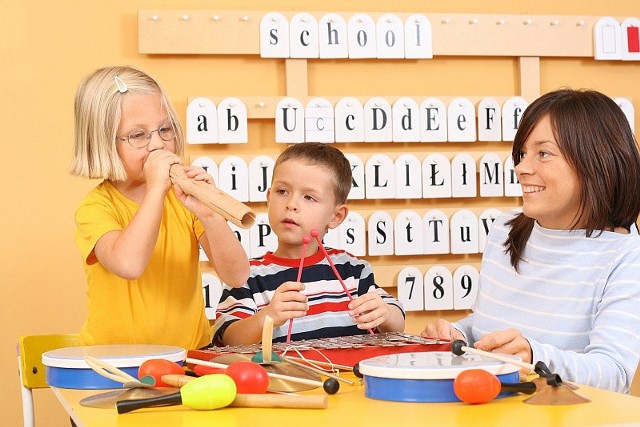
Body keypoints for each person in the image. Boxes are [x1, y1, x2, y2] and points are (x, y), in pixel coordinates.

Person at [422, 89, 640, 394]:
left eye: (544, 153)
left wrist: (535, 357)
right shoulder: (505, 230)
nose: (522, 168)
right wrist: (459, 334)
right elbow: (487, 325)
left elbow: (614, 372)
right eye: (522, 153)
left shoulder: (626, 255)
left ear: (596, 161)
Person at [70, 66, 249, 350]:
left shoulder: (183, 198)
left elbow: (236, 275)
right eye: (138, 135)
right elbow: (129, 264)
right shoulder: (96, 207)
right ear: (103, 143)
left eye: (165, 129)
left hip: (190, 356)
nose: (158, 144)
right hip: (116, 363)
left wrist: (210, 215)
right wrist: (156, 189)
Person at [214, 142, 405, 345]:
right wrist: (267, 318)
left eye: (309, 197)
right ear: (269, 198)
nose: (291, 204)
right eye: (282, 191)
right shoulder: (246, 275)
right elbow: (228, 340)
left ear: (336, 216)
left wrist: (385, 314)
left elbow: (397, 323)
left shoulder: (353, 271)